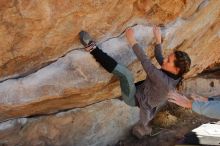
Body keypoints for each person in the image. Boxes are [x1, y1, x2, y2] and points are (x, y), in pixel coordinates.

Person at [79, 26, 191, 139]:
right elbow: (159, 57)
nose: (165, 60)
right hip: (142, 91)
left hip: (133, 98)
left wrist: (132, 40)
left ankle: (92, 48)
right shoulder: (176, 74)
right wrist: (158, 40)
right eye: (168, 58)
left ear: (176, 69)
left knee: (125, 74)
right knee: (138, 79)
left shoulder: (164, 82)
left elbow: (144, 60)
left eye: (169, 60)